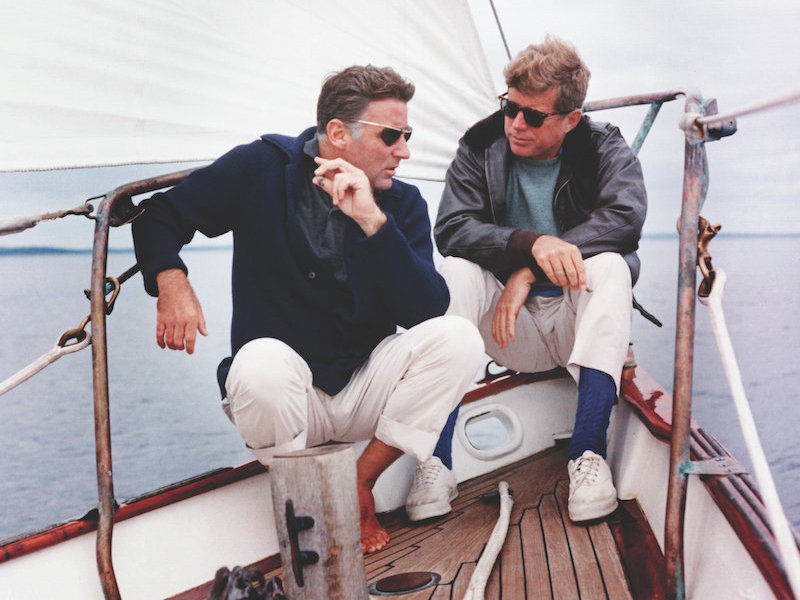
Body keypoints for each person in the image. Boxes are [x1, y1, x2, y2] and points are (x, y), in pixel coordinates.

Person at [131, 65, 484, 554]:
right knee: (257, 365)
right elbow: (159, 216)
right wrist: (171, 280)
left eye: (408, 136)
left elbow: (425, 311)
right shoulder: (260, 167)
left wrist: (372, 221)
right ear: (337, 133)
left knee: (460, 339)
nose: (404, 151)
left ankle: (358, 484)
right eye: (391, 136)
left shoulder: (399, 204)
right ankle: (306, 498)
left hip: (362, 389)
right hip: (287, 400)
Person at [404, 36, 647, 524]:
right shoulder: (480, 145)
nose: (516, 123)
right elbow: (451, 227)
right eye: (510, 107)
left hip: (574, 323)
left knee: (611, 267)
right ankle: (436, 461)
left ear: (571, 120)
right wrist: (531, 245)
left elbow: (626, 216)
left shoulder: (604, 146)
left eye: (533, 116)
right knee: (454, 272)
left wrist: (527, 271)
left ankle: (588, 456)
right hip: (506, 330)